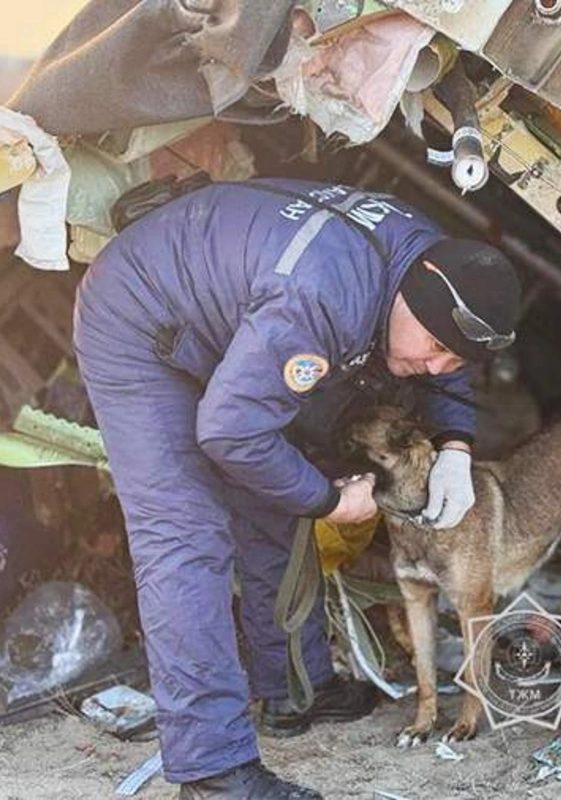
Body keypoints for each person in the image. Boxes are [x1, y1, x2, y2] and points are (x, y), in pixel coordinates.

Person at [72, 178, 522, 799]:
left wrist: (455, 445)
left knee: (271, 498)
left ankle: (294, 689)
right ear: (409, 303)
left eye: (457, 359)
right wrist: (333, 501)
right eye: (437, 348)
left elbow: (444, 360)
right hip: (139, 317)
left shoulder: (428, 261)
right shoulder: (321, 300)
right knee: (185, 535)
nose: (438, 367)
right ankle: (213, 771)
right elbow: (230, 432)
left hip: (227, 310)